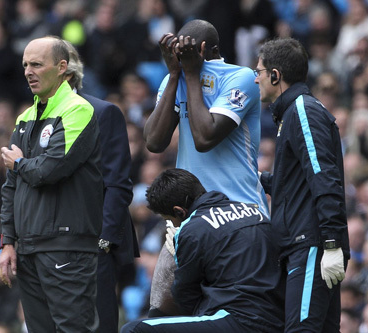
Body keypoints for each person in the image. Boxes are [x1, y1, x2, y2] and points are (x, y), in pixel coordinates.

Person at [0, 36, 103, 332]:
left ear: (61, 67)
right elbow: (11, 187)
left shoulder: (78, 110)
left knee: (73, 329)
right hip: (29, 247)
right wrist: (8, 242)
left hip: (65, 245)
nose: (28, 71)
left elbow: (50, 169)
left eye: (36, 64)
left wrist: (19, 163)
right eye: (25, 65)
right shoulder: (25, 117)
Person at [257, 38, 349, 332]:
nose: (255, 77)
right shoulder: (292, 114)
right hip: (308, 245)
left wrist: (331, 243)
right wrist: (255, 181)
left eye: (259, 71)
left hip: (311, 245)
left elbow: (324, 177)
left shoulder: (303, 112)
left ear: (275, 75)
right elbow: (295, 185)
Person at [121, 168, 284, 333]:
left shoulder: (192, 230)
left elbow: (185, 297)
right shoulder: (255, 212)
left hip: (240, 320)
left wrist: (178, 251)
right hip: (277, 317)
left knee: (134, 328)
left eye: (169, 220)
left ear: (179, 211)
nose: (173, 226)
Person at [144, 19, 269, 217]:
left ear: (207, 49)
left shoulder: (241, 77)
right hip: (193, 213)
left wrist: (193, 75)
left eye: (188, 50)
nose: (183, 56)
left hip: (240, 209)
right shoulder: (174, 79)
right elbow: (154, 142)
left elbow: (204, 139)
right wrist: (175, 76)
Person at [63, 39, 140, 333]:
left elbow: (118, 184)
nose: (29, 73)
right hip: (49, 245)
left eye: (37, 65)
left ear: (66, 72)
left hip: (92, 244)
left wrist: (103, 243)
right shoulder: (32, 119)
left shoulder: (103, 113)